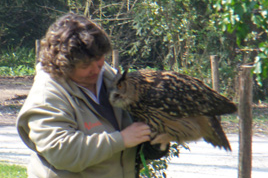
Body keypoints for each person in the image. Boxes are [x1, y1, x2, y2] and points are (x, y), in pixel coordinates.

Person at [17, 13, 169, 177]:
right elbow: (62, 153)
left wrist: (155, 140)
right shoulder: (47, 95)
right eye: (85, 65)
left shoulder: (110, 77)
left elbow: (133, 136)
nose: (96, 69)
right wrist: (121, 140)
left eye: (99, 59)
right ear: (63, 65)